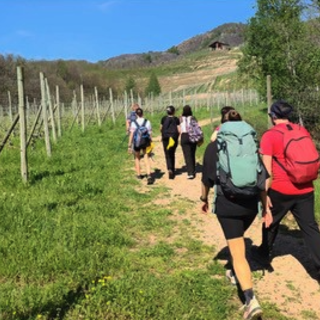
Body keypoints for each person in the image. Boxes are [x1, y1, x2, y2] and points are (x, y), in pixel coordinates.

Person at [201, 109, 266, 320]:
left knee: (238, 253)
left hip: (228, 205)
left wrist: (203, 199)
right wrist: (265, 205)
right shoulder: (251, 145)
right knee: (237, 243)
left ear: (222, 125)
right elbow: (262, 175)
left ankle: (250, 300)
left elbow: (207, 180)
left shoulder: (214, 147)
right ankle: (233, 271)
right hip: (250, 204)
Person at [252, 100, 320, 279]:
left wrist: (264, 197)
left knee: (271, 222)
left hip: (281, 189)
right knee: (310, 228)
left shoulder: (270, 135)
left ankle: (263, 254)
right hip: (306, 187)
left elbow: (267, 172)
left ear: (273, 117)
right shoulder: (301, 130)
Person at [128, 108, 154, 185]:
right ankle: (149, 175)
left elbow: (132, 134)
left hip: (137, 143)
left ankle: (139, 175)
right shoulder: (147, 122)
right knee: (146, 158)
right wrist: (151, 142)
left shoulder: (133, 123)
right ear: (143, 113)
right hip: (145, 142)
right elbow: (149, 133)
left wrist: (129, 145)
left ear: (136, 114)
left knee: (137, 158)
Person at [160, 106, 181, 179]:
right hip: (173, 138)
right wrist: (177, 137)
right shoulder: (176, 119)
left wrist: (162, 135)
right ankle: (172, 169)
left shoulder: (163, 118)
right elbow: (179, 130)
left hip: (165, 138)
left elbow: (161, 128)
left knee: (167, 153)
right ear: (174, 112)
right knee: (172, 153)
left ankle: (169, 168)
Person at [180, 105, 198, 179]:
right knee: (192, 153)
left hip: (184, 135)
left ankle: (190, 172)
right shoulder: (193, 118)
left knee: (187, 155)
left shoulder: (180, 118)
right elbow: (197, 127)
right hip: (192, 135)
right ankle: (193, 169)